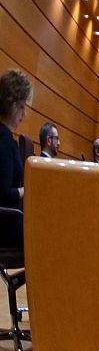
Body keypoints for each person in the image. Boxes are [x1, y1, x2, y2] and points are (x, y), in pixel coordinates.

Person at [0, 71, 29, 244]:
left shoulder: (5, 137)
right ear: (12, 105)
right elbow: (2, 194)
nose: (24, 114)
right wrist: (26, 191)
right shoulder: (4, 140)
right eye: (22, 107)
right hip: (6, 225)